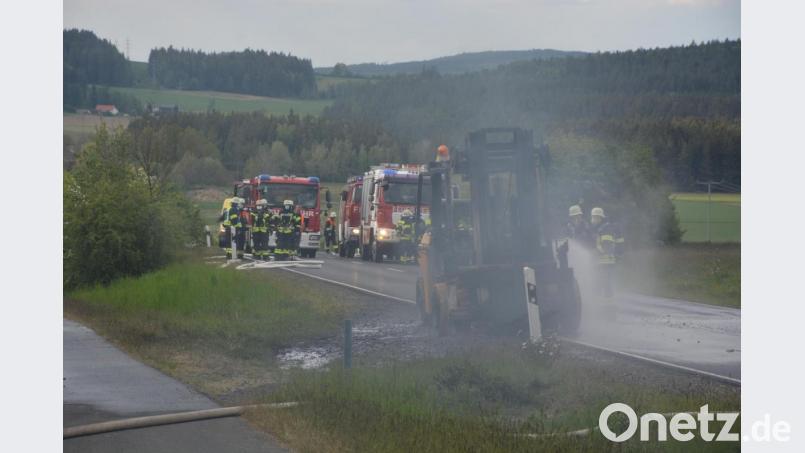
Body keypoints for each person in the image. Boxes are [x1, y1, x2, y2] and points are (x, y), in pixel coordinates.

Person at [590, 207, 625, 306]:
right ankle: (600, 305)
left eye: (596, 217)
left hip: (606, 262)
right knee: (599, 283)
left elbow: (607, 246)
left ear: (600, 218)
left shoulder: (606, 229)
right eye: (593, 217)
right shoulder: (598, 229)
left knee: (606, 284)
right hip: (600, 262)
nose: (594, 220)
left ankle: (608, 306)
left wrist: (596, 252)